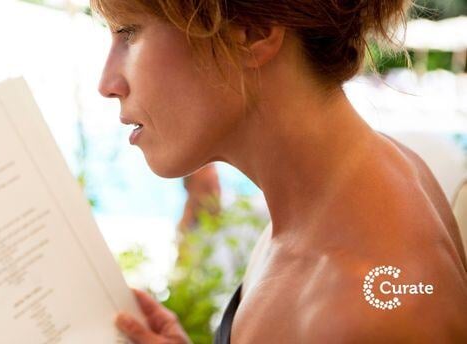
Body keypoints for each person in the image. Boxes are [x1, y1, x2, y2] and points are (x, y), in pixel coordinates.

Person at [90, 0, 467, 342]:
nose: (106, 85)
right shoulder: (353, 189)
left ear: (253, 32)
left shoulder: (353, 314)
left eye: (129, 32)